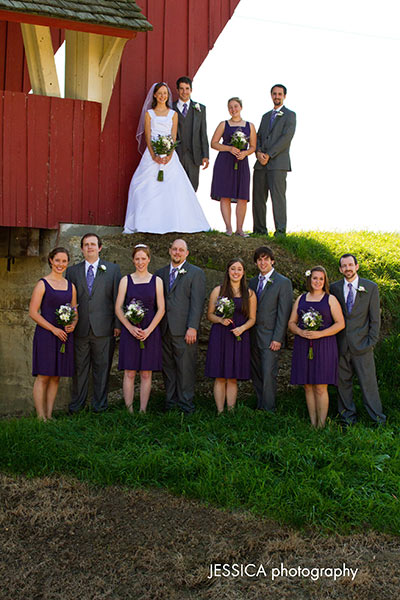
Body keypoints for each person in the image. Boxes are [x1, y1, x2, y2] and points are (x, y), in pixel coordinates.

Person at [123, 82, 209, 234]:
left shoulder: (173, 114)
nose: (163, 96)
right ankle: (145, 222)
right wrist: (154, 155)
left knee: (174, 188)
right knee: (141, 186)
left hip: (169, 155)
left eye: (165, 93)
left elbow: (173, 136)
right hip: (152, 155)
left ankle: (173, 223)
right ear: (155, 95)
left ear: (168, 96)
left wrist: (169, 155)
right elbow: (148, 137)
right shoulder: (149, 114)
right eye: (160, 93)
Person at [66, 233, 121, 414]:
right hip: (80, 329)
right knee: (79, 369)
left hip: (104, 329)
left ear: (99, 247)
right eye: (86, 245)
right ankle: (77, 406)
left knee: (102, 369)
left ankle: (100, 406)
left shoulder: (112, 270)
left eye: (93, 244)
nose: (89, 247)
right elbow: (69, 300)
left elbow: (116, 300)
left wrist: (117, 325)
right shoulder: (73, 271)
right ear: (81, 249)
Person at [330, 254, 386, 426]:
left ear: (357, 266)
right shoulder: (334, 288)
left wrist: (371, 341)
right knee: (343, 384)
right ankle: (347, 419)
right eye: (344, 266)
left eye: (350, 265)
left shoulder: (371, 287)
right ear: (340, 269)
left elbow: (375, 319)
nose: (347, 268)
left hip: (363, 345)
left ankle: (377, 420)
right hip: (341, 345)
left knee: (368, 384)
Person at [288, 266, 345, 428]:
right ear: (310, 279)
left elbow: (340, 323)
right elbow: (291, 322)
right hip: (303, 344)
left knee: (320, 386)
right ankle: (313, 423)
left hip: (324, 346)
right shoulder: (301, 298)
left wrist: (321, 334)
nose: (318, 281)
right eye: (315, 278)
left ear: (325, 281)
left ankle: (321, 424)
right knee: (307, 385)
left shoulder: (330, 299)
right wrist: (299, 331)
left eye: (321, 279)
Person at [155, 239, 206, 414]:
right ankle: (170, 403)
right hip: (164, 329)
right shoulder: (160, 273)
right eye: (174, 249)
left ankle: (186, 405)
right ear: (169, 250)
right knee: (168, 368)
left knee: (185, 368)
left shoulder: (195, 273)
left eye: (181, 250)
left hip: (185, 330)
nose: (177, 252)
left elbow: (197, 303)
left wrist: (193, 327)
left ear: (187, 253)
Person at [115, 244, 165, 413]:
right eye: (137, 259)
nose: (140, 262)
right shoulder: (125, 280)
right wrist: (129, 328)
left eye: (143, 258)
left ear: (149, 259)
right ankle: (129, 410)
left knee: (145, 373)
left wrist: (149, 330)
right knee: (129, 372)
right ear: (133, 260)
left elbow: (162, 309)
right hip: (131, 331)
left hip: (150, 331)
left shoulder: (157, 281)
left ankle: (143, 410)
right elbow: (118, 308)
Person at [29, 247, 77, 420]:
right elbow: (33, 312)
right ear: (51, 260)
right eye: (57, 260)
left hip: (64, 336)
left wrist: (73, 323)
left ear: (67, 263)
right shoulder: (42, 284)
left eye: (64, 261)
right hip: (46, 335)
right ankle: (40, 417)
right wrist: (53, 329)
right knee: (44, 375)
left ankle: (49, 415)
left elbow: (74, 311)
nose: (60, 264)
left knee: (56, 376)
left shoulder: (70, 286)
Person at [205, 258, 256, 413]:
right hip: (220, 335)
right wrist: (220, 320)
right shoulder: (218, 291)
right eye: (233, 269)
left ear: (243, 272)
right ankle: (220, 411)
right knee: (220, 376)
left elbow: (253, 318)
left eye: (239, 269)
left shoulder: (250, 294)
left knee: (233, 377)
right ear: (228, 271)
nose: (236, 272)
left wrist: (242, 328)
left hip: (239, 336)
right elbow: (209, 315)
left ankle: (231, 411)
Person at [249, 246, 293, 412]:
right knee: (257, 372)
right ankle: (260, 404)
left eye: (266, 259)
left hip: (270, 337)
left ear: (272, 261)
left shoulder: (283, 282)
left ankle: (268, 409)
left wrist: (278, 338)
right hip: (253, 335)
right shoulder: (252, 282)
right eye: (259, 259)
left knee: (268, 373)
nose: (263, 262)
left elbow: (284, 313)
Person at [253, 84, 296, 237]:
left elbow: (286, 138)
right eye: (274, 94)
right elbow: (257, 136)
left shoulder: (290, 115)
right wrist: (258, 152)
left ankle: (280, 231)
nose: (277, 96)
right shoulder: (265, 116)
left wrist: (269, 155)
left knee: (278, 198)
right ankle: (259, 230)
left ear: (284, 96)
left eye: (279, 94)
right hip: (260, 164)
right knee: (258, 198)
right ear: (271, 95)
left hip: (278, 164)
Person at [210, 97, 257, 237]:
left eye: (236, 106)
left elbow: (253, 146)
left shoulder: (250, 126)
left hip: (242, 162)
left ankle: (240, 229)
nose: (233, 109)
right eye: (230, 107)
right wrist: (229, 149)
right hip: (225, 161)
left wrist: (245, 153)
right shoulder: (223, 124)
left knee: (242, 196)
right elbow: (213, 143)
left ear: (241, 107)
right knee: (225, 195)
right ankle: (229, 228)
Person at [172, 76, 209, 191]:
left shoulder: (200, 109)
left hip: (194, 155)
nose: (184, 92)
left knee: (192, 188)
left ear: (191, 90)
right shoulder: (170, 108)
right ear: (177, 90)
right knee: (176, 188)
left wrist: (205, 155)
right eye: (182, 89)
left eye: (187, 88)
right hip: (176, 155)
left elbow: (203, 133)